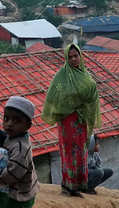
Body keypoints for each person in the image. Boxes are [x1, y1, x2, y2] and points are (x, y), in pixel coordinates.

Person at [41, 44, 101, 197]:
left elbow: (92, 95)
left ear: (80, 56)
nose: (74, 59)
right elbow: (55, 98)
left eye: (76, 56)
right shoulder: (61, 76)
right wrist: (72, 105)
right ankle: (69, 185)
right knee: (69, 151)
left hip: (81, 121)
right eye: (71, 57)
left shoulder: (85, 74)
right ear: (66, 58)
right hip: (67, 120)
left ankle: (80, 184)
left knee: (81, 150)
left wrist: (83, 105)